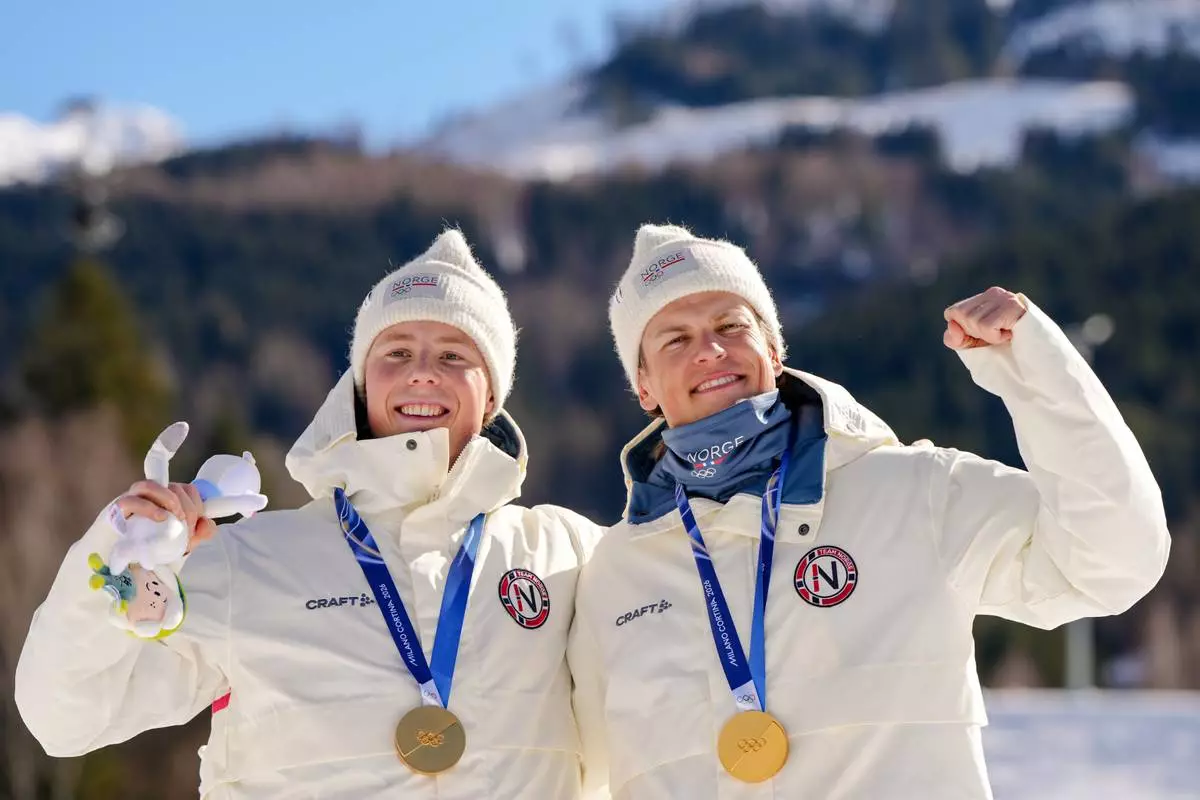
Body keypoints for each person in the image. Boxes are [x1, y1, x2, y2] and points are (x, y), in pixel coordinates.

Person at [568, 223, 1170, 799]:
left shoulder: (915, 495)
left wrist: (1039, 373)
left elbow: (1110, 561)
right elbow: (564, 774)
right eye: (676, 339)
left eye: (731, 323)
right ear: (642, 386)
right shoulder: (612, 574)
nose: (711, 350)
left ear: (773, 350)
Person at [17, 229, 604, 799]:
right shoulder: (251, 560)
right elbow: (65, 717)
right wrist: (119, 562)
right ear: (360, 382)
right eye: (397, 352)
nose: (423, 371)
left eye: (453, 355)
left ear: (494, 393)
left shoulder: (564, 554)